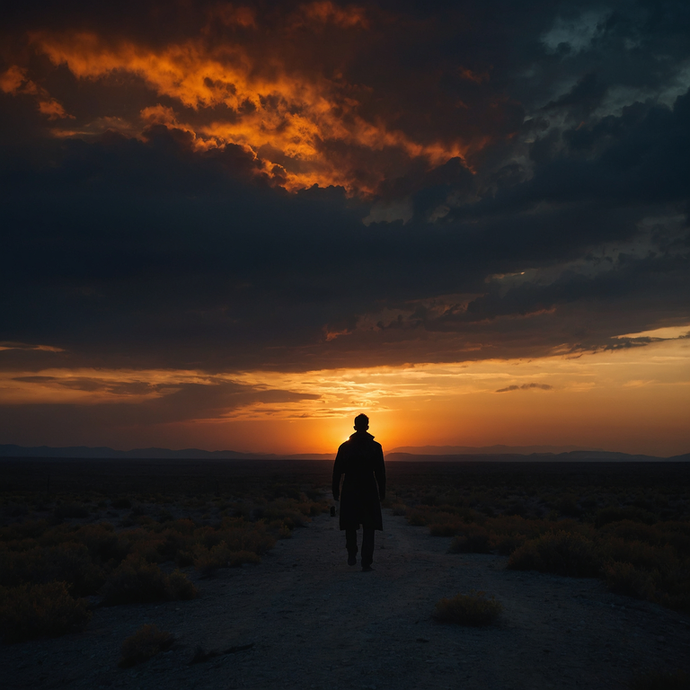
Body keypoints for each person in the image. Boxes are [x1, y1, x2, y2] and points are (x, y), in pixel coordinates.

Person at [332, 414, 386, 572]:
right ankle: (366, 562)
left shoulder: (345, 447)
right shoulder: (375, 447)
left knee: (350, 524)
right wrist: (382, 491)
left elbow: (337, 472)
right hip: (369, 490)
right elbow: (380, 473)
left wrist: (336, 490)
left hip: (350, 490)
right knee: (369, 527)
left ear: (355, 426)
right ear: (367, 426)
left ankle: (352, 552)